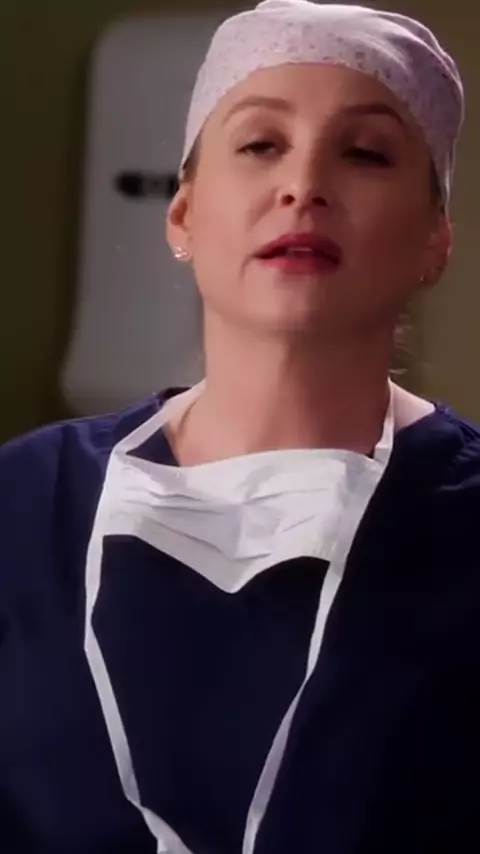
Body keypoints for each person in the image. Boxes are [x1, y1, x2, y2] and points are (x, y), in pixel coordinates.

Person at [1, 1, 477, 852]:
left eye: (365, 153)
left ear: (433, 239)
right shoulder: (25, 504)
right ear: (183, 215)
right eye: (261, 144)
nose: (303, 185)